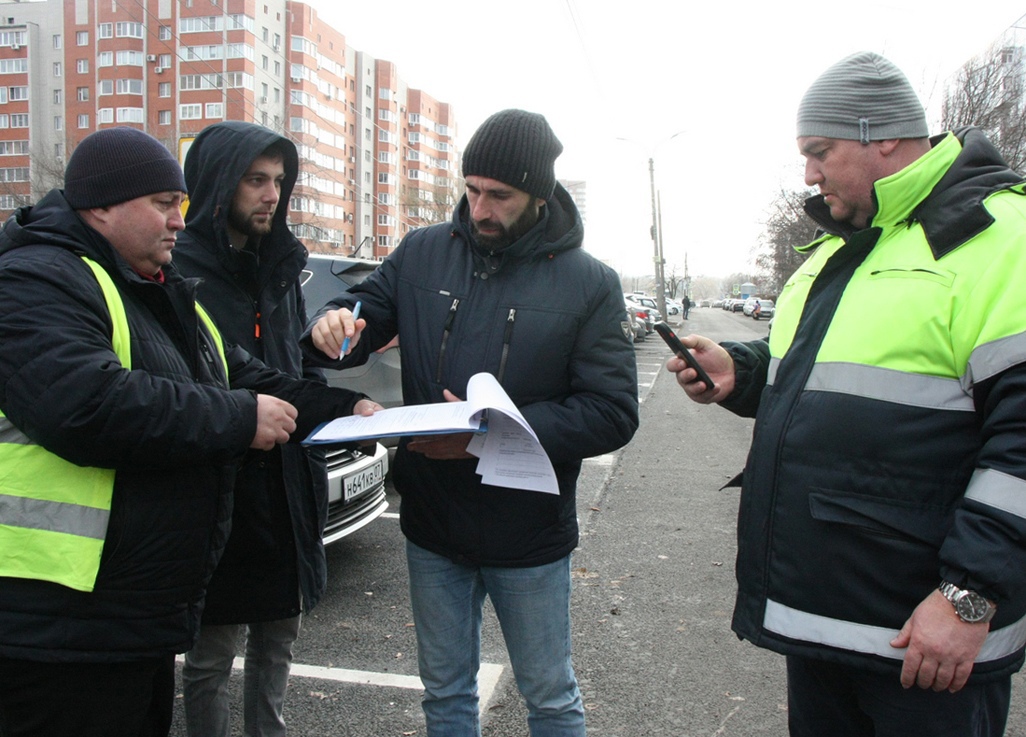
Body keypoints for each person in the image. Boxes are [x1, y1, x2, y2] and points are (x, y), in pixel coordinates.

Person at [669, 52, 1026, 736]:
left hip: (927, 647)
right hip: (828, 631)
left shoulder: (1001, 239)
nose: (808, 173)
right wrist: (740, 372)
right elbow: (819, 372)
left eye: (819, 151)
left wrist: (968, 598)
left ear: (882, 136)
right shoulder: (846, 249)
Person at [0, 127, 377, 737]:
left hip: (127, 612)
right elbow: (85, 405)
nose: (179, 220)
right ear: (99, 206)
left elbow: (250, 376)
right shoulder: (36, 278)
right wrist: (238, 418)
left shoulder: (161, 289)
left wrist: (353, 407)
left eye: (179, 203)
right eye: (161, 204)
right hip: (50, 619)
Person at [305, 109, 639, 736]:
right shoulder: (424, 252)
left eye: (500, 195)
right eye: (472, 189)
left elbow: (613, 411)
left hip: (528, 529)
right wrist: (331, 322)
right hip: (433, 523)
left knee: (550, 696)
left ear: (538, 194)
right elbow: (362, 316)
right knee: (445, 696)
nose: (480, 208)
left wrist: (486, 435)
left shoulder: (590, 283)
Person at [174, 122, 338, 737]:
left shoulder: (281, 262)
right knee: (212, 652)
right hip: (221, 485)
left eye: (279, 181)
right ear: (219, 182)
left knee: (280, 636)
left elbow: (288, 362)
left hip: (289, 480)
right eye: (255, 180)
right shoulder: (179, 266)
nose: (271, 194)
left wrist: (327, 345)